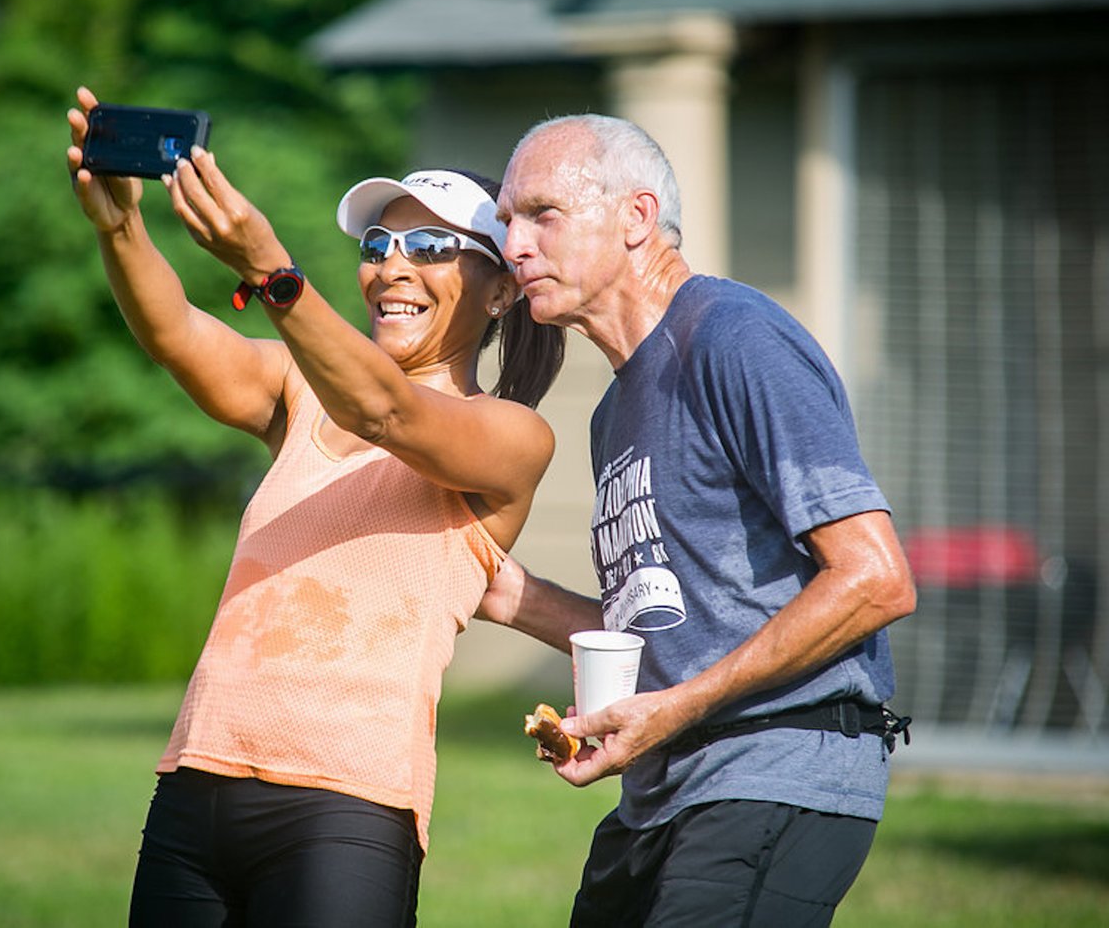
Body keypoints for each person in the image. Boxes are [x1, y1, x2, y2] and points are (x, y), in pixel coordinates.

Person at [65, 85, 564, 926]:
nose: (392, 264)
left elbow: (392, 413)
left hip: (346, 807)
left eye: (433, 244)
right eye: (379, 242)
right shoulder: (301, 387)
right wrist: (119, 225)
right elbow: (177, 335)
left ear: (501, 291)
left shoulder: (510, 435)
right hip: (197, 781)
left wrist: (271, 271)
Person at [479, 113, 917, 927]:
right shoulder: (612, 412)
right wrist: (508, 595)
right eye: (507, 221)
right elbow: (666, 636)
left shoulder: (733, 337)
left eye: (542, 213)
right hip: (662, 795)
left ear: (637, 218)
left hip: (776, 771)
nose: (514, 245)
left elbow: (875, 578)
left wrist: (675, 709)